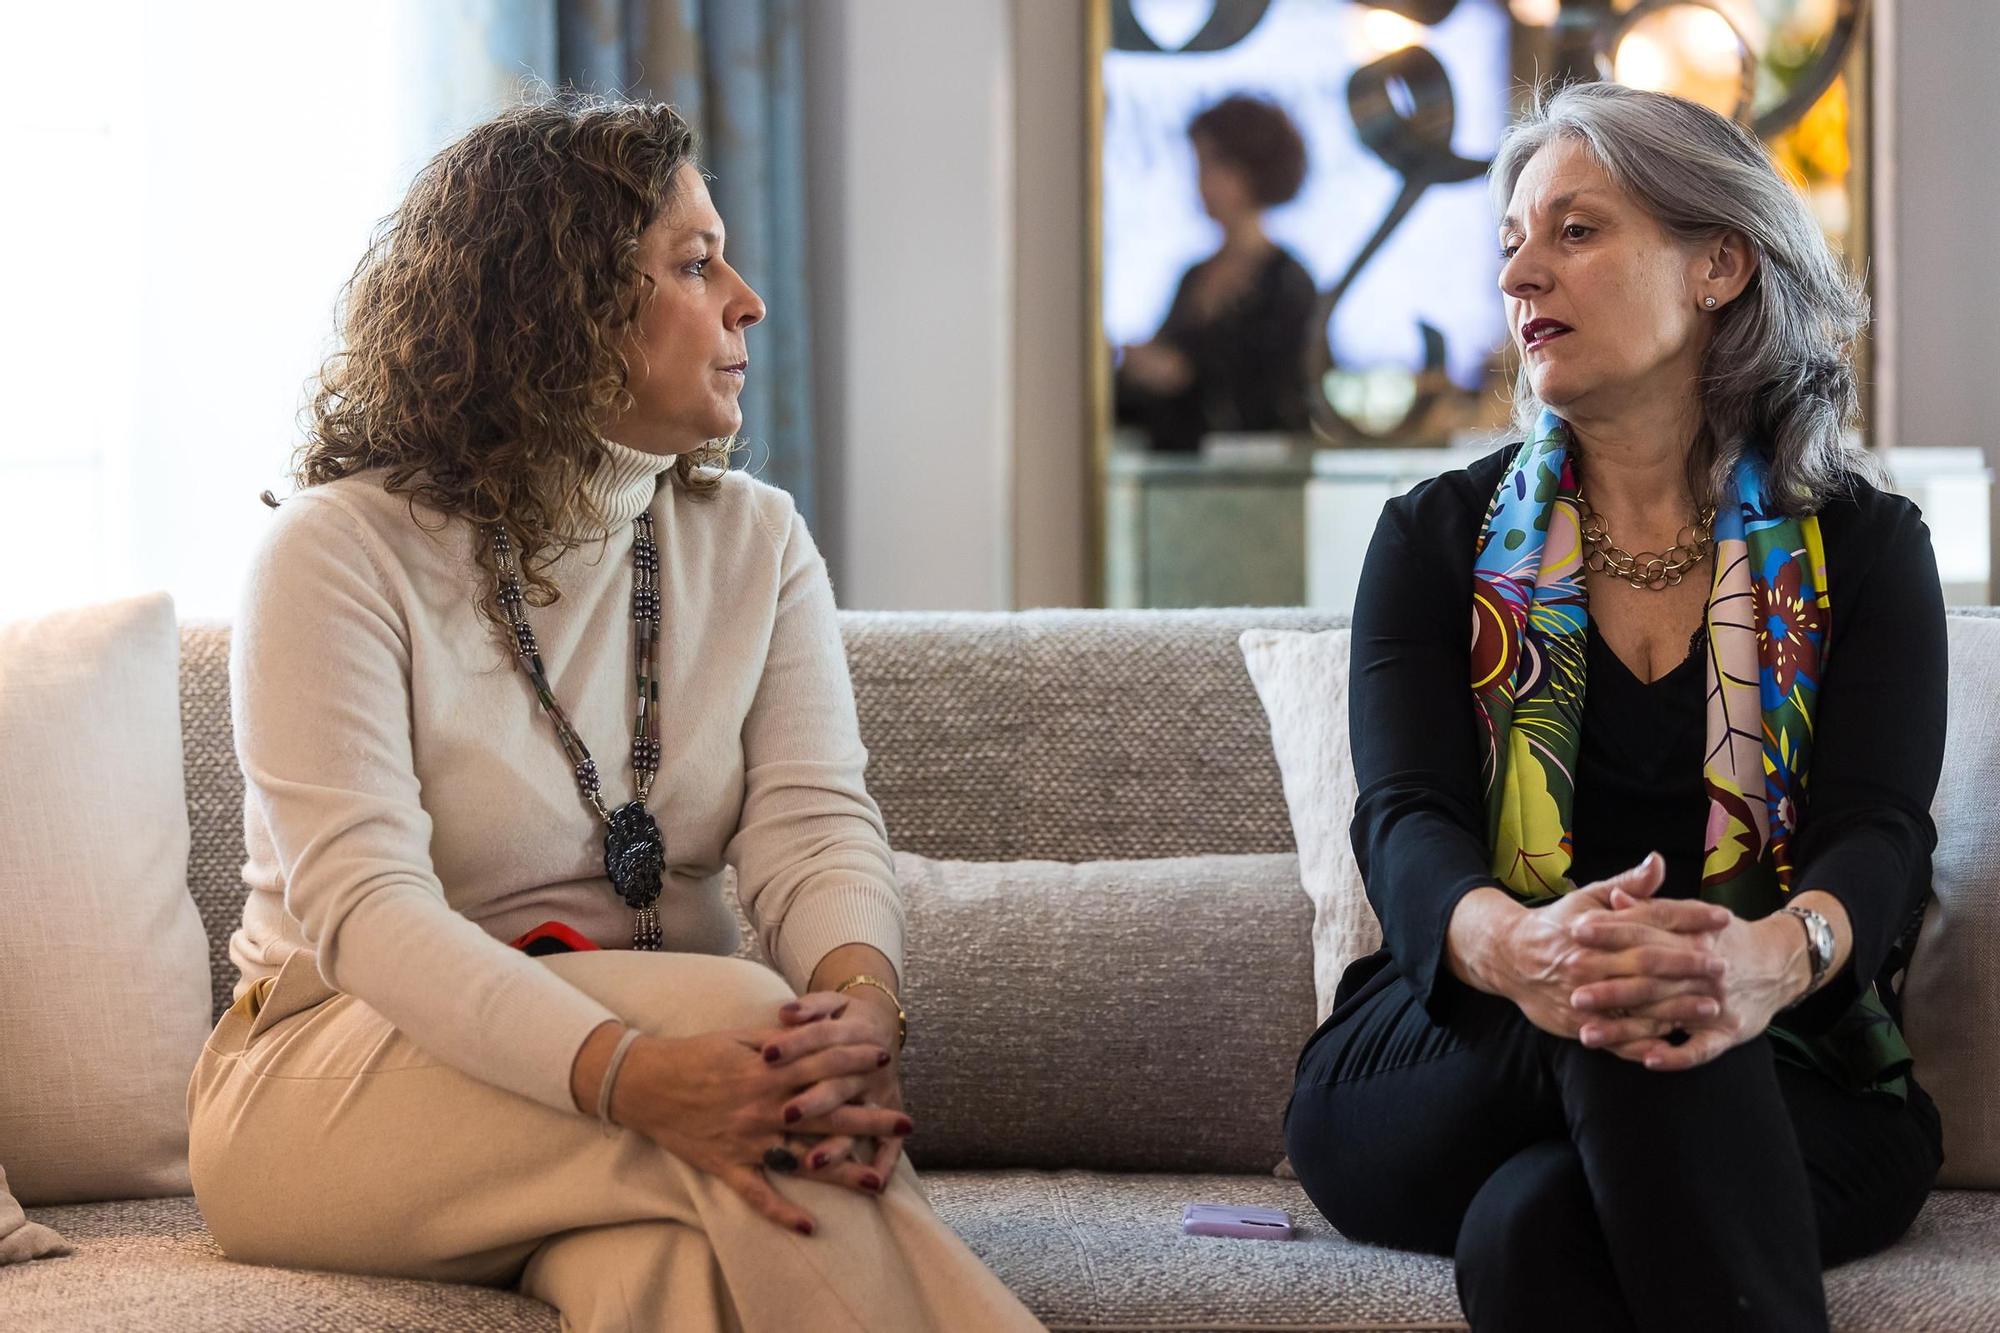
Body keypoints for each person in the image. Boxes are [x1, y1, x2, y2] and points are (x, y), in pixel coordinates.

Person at [186, 96, 1044, 1333]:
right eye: (695, 265)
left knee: (666, 1274)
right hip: (330, 1083)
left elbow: (811, 825)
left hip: (651, 1076)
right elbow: (367, 913)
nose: (748, 300)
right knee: (752, 1026)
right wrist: (630, 1076)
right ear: (560, 306)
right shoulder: (338, 552)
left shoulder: (756, 541)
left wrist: (859, 1000)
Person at [1284, 82, 1945, 1333]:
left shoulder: (1863, 548)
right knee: (1629, 1002)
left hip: (1783, 1046)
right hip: (1459, 1044)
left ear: (1717, 265)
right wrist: (1523, 949)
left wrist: (1761, 960)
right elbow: (1405, 821)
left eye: (1574, 231)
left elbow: (1877, 833)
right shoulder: (1432, 539)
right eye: (1509, 244)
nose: (1517, 274)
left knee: (1529, 1226)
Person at [1115, 94, 1318, 452]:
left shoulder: (1287, 282)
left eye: (1213, 165)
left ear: (1251, 170)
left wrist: (1178, 375)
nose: (1201, 181)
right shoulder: (1194, 276)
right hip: (1184, 470)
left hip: (1257, 472)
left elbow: (1278, 393)